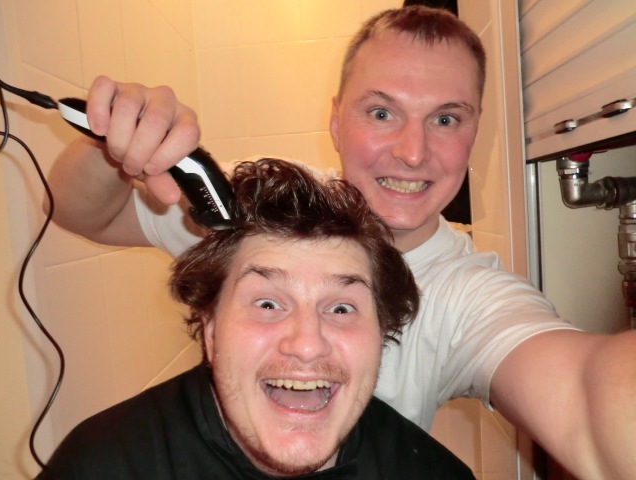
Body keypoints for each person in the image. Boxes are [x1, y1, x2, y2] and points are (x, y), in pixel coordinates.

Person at [45, 6, 636, 480]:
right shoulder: (253, 217)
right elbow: (84, 211)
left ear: (475, 131)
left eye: (446, 119)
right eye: (381, 113)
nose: (412, 152)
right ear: (335, 120)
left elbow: (585, 402)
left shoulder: (469, 295)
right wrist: (116, 146)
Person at [38, 158, 475, 479]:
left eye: (341, 308)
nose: (307, 344)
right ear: (210, 326)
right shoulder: (102, 464)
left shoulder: (434, 474)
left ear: (380, 334)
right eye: (267, 304)